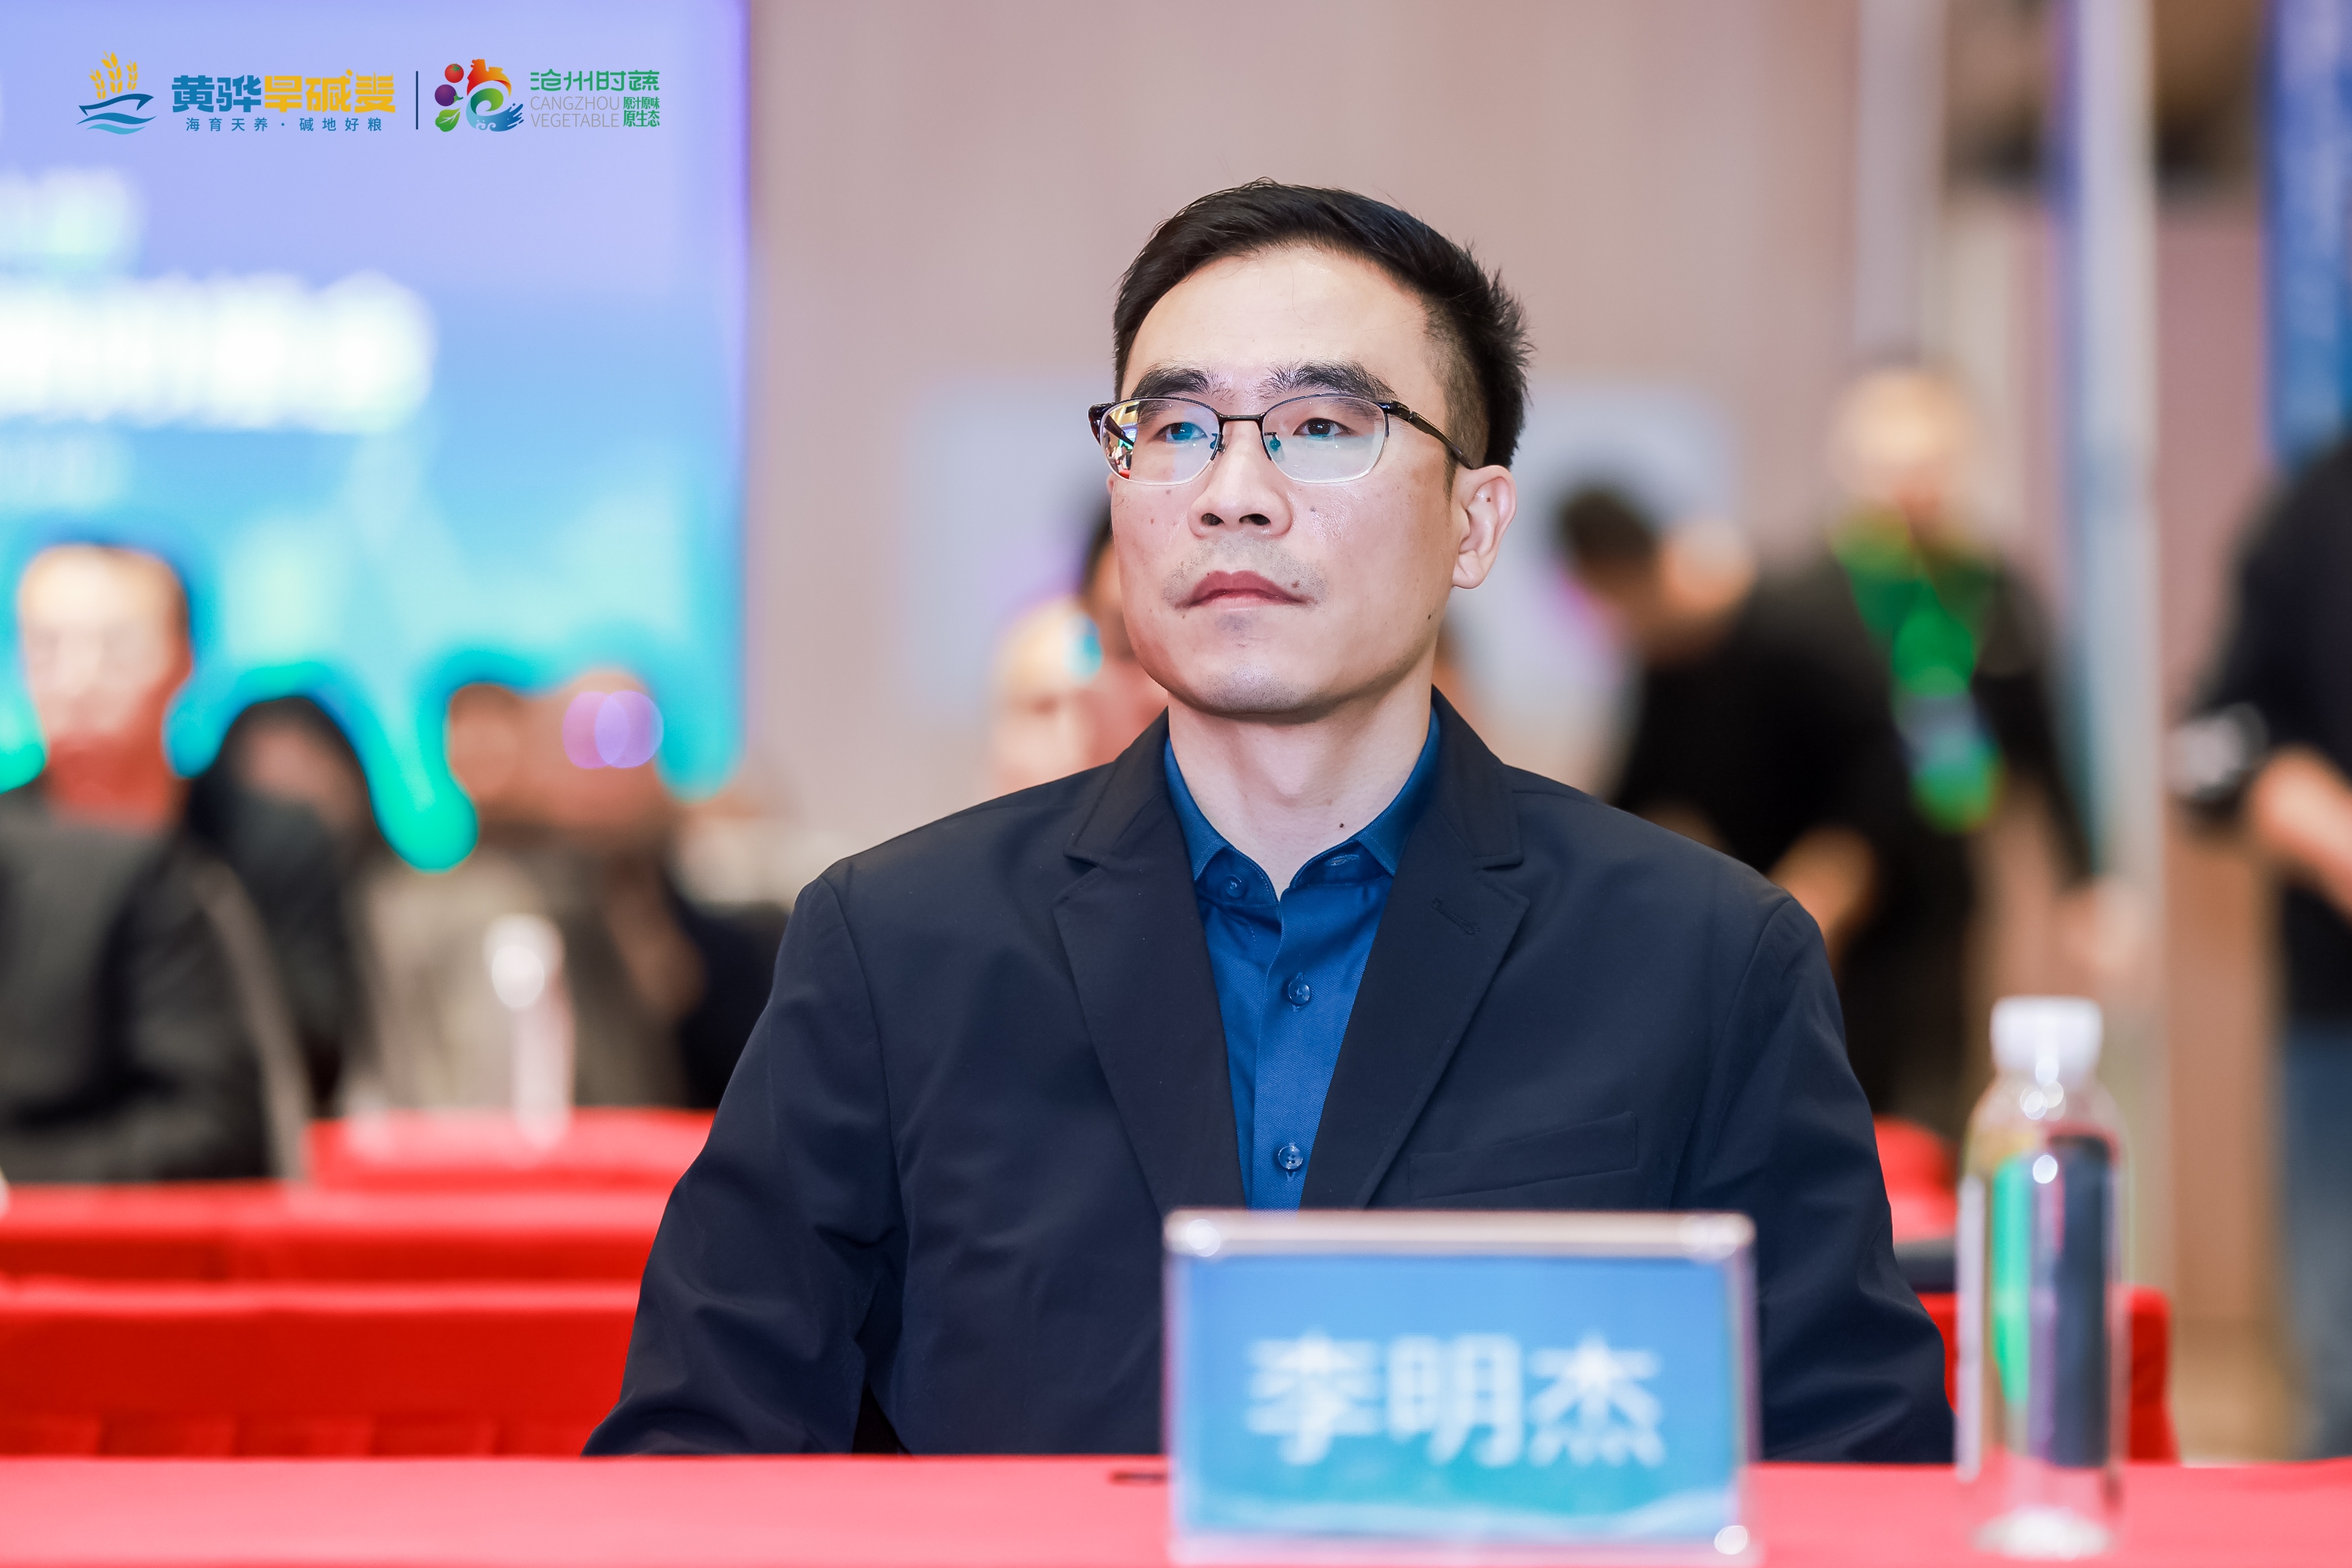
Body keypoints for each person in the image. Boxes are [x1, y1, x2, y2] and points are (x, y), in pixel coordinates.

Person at [589, 182, 1948, 1462]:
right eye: (1175, 427)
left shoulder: (1705, 959)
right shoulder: (894, 951)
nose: (1230, 489)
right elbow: (694, 1458)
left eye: (1321, 426)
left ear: (1474, 524)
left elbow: (1858, 1479)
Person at [1560, 487, 1942, 1117]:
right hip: (1767, 935)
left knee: (1873, 1118)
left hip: (1875, 941)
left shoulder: (1792, 625)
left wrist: (1830, 882)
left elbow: (1883, 767)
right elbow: (1636, 795)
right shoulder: (1660, 658)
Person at [2175, 435, 2352, 1458]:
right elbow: (2209, 743)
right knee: (2343, 1373)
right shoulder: (2318, 509)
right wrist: (2304, 803)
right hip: (2339, 1019)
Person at [1, 545, 269, 1180]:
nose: (79, 679)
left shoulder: (264, 839)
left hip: (189, 1212)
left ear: (185, 659)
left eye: (116, 647)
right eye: (47, 648)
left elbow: (228, 1114)